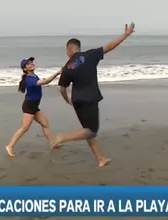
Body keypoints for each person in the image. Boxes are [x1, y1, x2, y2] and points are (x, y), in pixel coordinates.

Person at [50, 23, 135, 167]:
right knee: (91, 131)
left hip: (77, 101)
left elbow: (63, 89)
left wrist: (69, 101)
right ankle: (61, 138)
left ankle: (100, 159)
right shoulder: (89, 55)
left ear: (69, 50)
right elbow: (110, 46)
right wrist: (126, 35)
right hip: (89, 99)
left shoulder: (67, 67)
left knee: (86, 129)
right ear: (78, 48)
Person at [6, 57, 62, 157]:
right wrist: (57, 73)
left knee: (45, 124)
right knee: (24, 128)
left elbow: (42, 82)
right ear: (25, 68)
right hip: (29, 106)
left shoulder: (33, 75)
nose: (31, 64)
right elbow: (44, 82)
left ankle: (53, 142)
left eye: (32, 62)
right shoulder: (29, 79)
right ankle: (9, 146)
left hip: (34, 106)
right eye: (28, 64)